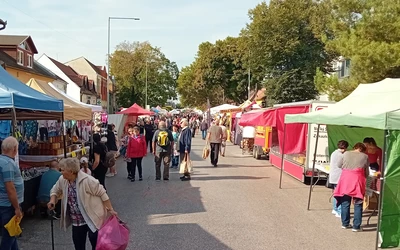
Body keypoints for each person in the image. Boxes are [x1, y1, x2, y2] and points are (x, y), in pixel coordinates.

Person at [48, 158, 118, 250]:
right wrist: (52, 200)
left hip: (92, 217)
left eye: (62, 170)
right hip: (77, 220)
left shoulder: (87, 180)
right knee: (78, 245)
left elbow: (102, 193)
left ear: (71, 171)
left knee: (96, 244)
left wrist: (110, 209)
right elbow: (55, 190)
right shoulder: (63, 180)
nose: (61, 172)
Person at [334, 143, 369, 232]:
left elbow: (338, 165)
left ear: (355, 147)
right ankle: (356, 226)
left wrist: (347, 168)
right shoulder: (365, 156)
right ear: (363, 149)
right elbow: (367, 172)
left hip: (346, 180)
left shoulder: (346, 153)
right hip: (358, 180)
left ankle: (345, 224)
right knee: (358, 203)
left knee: (345, 202)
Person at [0, 137, 23, 249]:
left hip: (4, 203)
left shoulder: (2, 160)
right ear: (14, 149)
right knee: (9, 234)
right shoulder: (8, 164)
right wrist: (17, 207)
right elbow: (10, 188)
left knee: (11, 232)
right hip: (8, 205)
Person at [329, 140, 349, 218]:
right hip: (339, 177)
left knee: (336, 193)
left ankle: (335, 208)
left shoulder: (334, 153)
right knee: (340, 195)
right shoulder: (341, 155)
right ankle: (339, 211)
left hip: (334, 176)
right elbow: (343, 165)